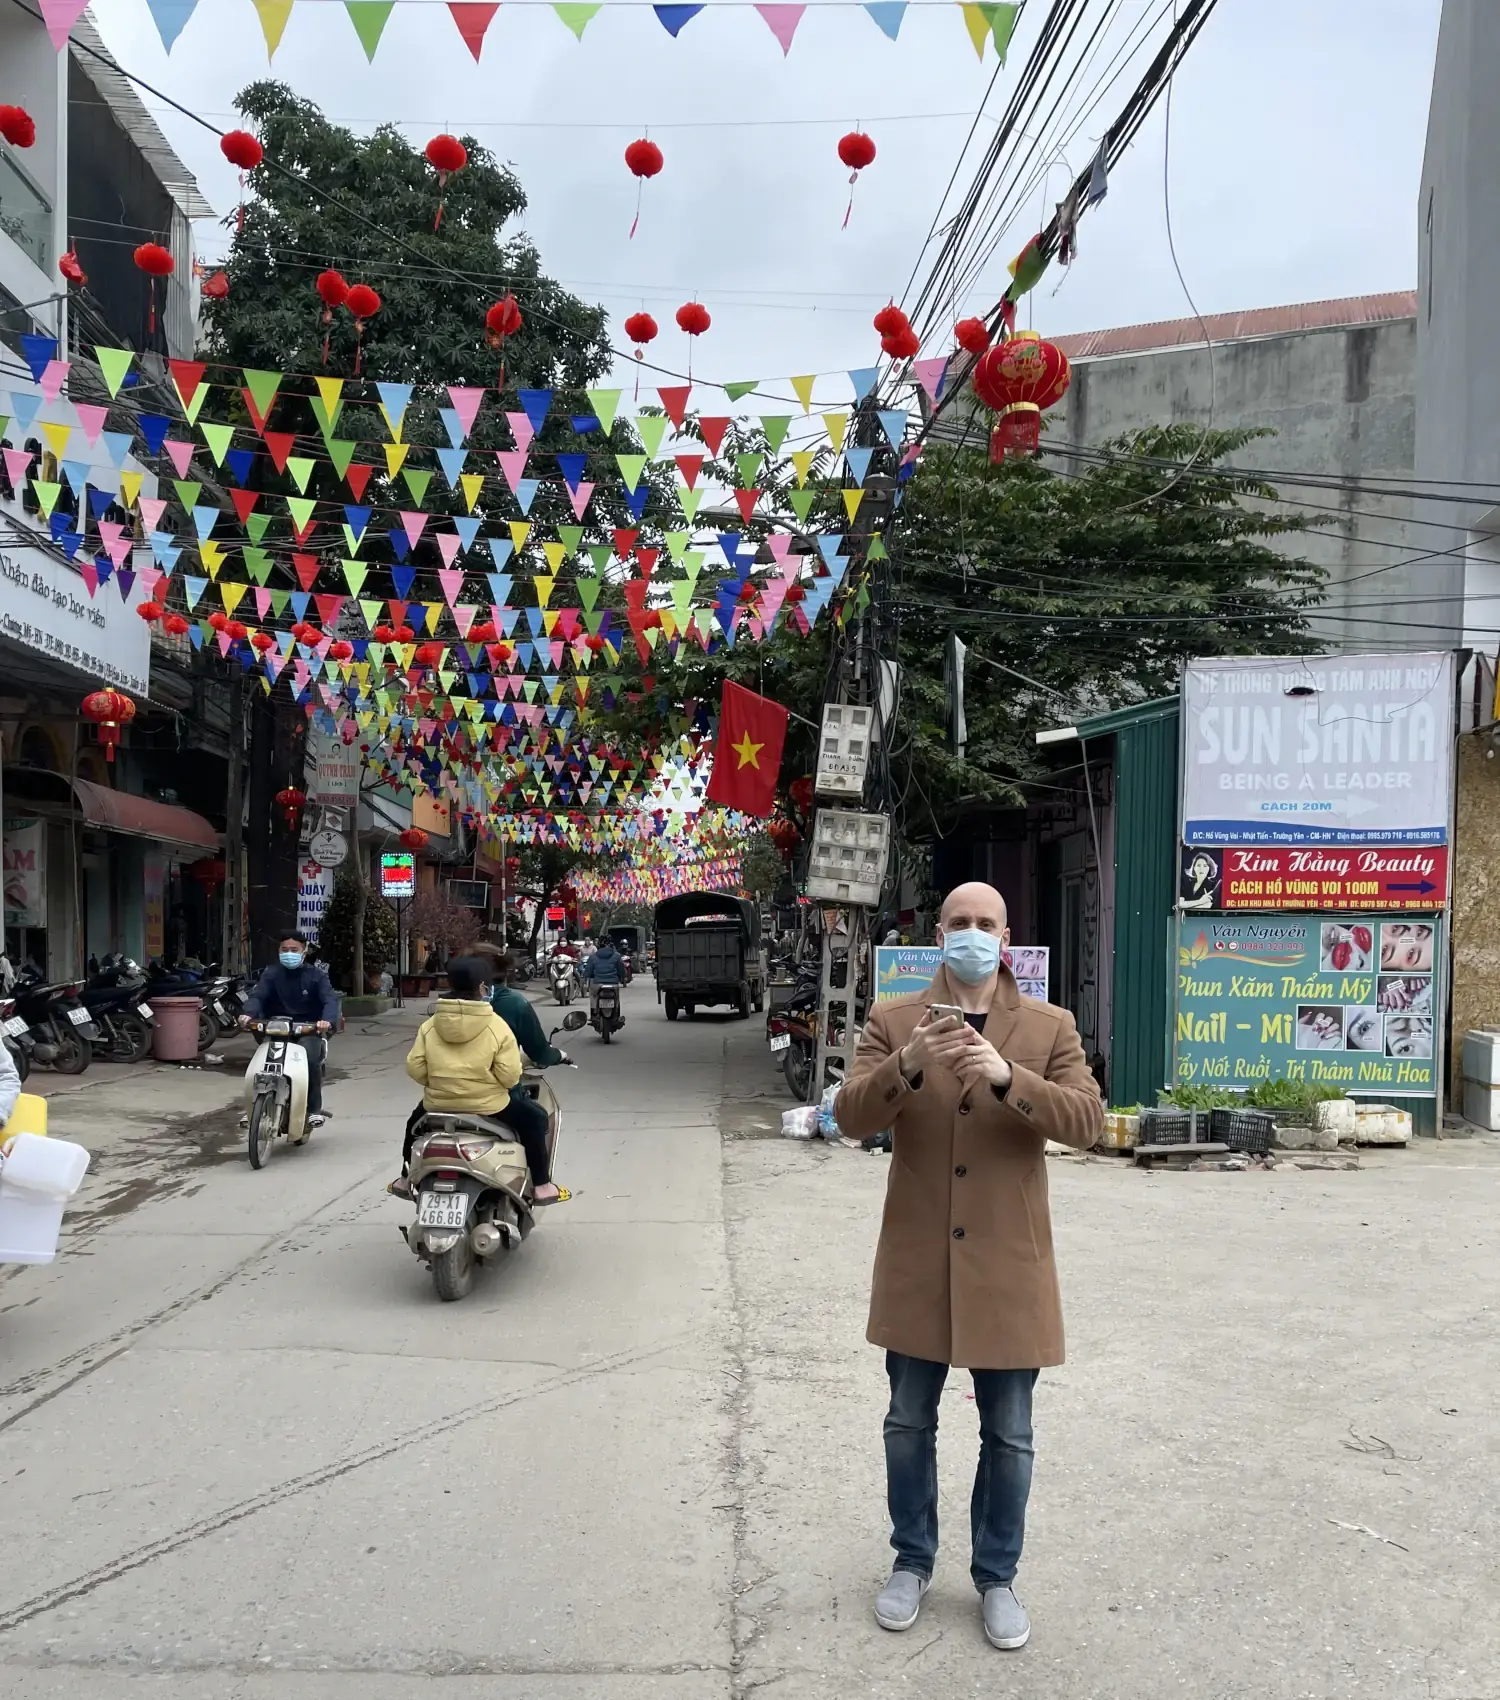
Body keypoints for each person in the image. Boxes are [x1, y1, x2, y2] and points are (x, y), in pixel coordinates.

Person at [835, 881, 1103, 1653]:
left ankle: (996, 1577)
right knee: (907, 1423)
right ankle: (911, 1561)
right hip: (919, 1261)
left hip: (1009, 1265)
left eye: (986, 924)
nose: (972, 934)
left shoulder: (1049, 1026)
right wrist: (909, 1065)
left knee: (1010, 1435)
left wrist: (1006, 1078)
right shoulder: (893, 1021)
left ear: (1006, 940)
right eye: (959, 922)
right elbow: (851, 1116)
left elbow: (1086, 1120)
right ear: (938, 934)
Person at [393, 956, 561, 1205]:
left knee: (413, 1126)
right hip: (490, 1106)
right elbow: (509, 1075)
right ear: (483, 988)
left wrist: (441, 1082)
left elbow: (415, 1068)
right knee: (535, 1119)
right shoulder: (497, 1026)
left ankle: (405, 1178)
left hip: (438, 1106)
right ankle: (542, 1186)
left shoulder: (430, 1025)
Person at [239, 932, 338, 1124]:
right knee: (260, 1066)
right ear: (279, 951)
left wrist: (326, 1020)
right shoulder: (271, 974)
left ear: (304, 951)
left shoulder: (316, 976)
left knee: (311, 1061)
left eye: (294, 950)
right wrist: (248, 1014)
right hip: (275, 1027)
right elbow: (258, 996)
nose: (289, 954)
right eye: (285, 950)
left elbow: (330, 1000)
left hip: (308, 1029)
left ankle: (313, 1110)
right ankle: (253, 1110)